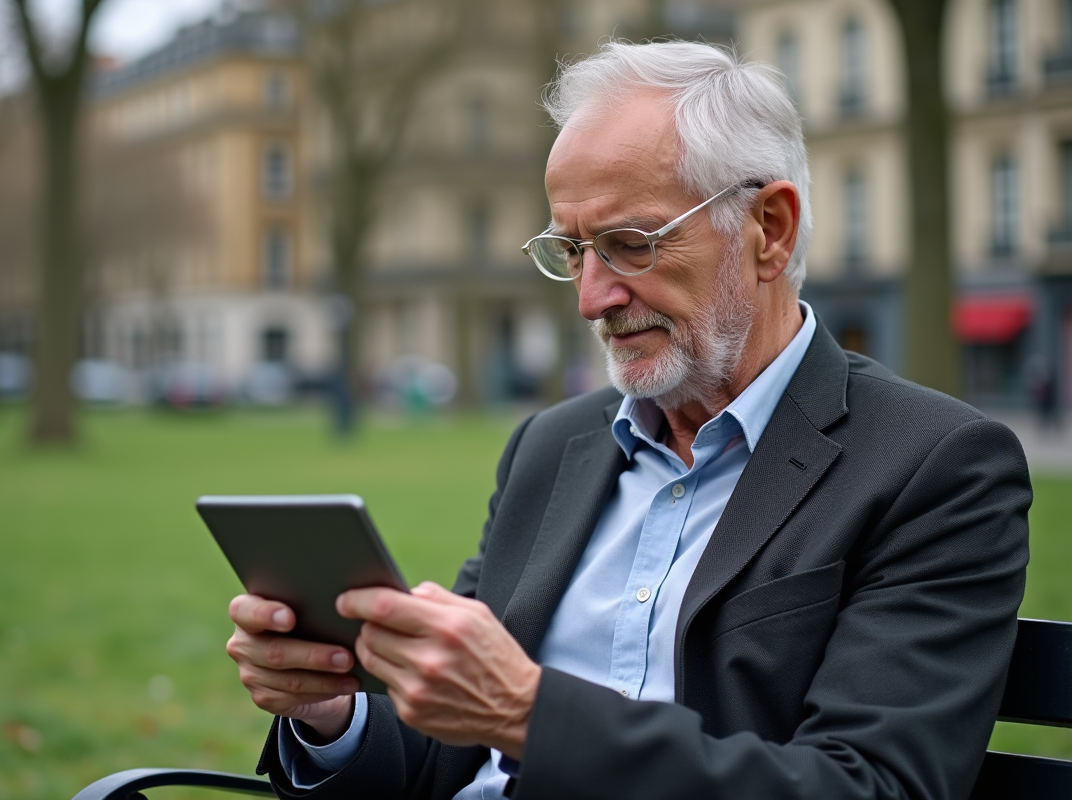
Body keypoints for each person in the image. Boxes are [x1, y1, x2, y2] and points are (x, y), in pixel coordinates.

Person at [226, 41, 1031, 800]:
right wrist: (333, 711)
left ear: (769, 231)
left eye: (631, 243)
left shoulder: (933, 467)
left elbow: (869, 787)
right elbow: (450, 757)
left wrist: (528, 717)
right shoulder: (552, 447)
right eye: (573, 251)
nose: (591, 298)